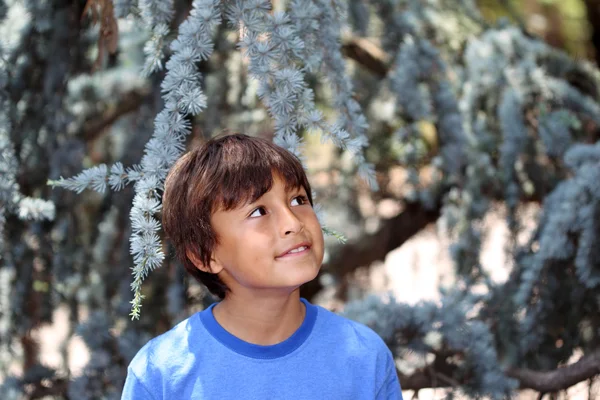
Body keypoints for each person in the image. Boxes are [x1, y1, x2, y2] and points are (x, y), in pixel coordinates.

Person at [121, 132, 403, 399]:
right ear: (204, 255)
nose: (293, 223)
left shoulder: (364, 357)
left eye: (298, 200)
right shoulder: (159, 375)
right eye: (258, 211)